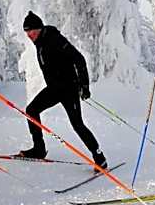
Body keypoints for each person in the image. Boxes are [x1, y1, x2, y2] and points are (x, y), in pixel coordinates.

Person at [18, 11, 107, 171]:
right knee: (31, 110)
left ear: (39, 28)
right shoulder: (39, 43)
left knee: (77, 124)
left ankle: (99, 158)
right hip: (54, 89)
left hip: (68, 89)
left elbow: (79, 59)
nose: (29, 35)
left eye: (31, 31)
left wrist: (84, 85)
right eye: (27, 32)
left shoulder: (54, 39)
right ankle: (39, 149)